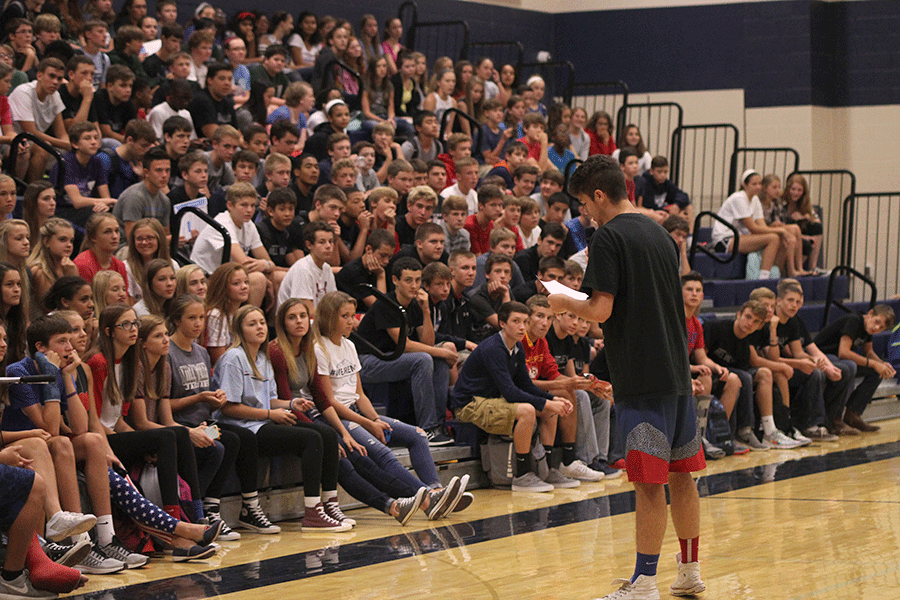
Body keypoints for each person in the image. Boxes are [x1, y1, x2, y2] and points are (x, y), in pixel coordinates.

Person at [547, 155, 705, 599]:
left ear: (599, 195)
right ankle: (689, 570)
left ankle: (644, 582)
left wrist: (564, 303)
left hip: (642, 377)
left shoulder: (610, 236)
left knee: (649, 484)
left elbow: (600, 310)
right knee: (681, 475)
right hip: (674, 374)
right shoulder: (659, 232)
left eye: (584, 203)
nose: (585, 213)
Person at [213, 304, 351, 532]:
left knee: (325, 433)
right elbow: (229, 408)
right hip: (243, 427)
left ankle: (329, 503)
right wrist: (270, 414)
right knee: (311, 439)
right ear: (239, 330)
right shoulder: (233, 358)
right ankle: (312, 511)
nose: (259, 327)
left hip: (262, 421)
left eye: (260, 322)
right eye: (251, 324)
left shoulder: (262, 358)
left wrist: (289, 404)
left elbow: (269, 401)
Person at [451, 301, 572, 492]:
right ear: (502, 323)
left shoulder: (517, 347)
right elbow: (510, 391)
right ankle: (522, 476)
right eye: (516, 321)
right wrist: (545, 403)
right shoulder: (494, 348)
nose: (522, 327)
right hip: (469, 404)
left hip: (492, 400)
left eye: (524, 321)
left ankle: (547, 471)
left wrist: (552, 400)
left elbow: (525, 384)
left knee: (549, 411)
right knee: (528, 411)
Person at [356, 257, 455, 445]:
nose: (414, 285)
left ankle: (437, 425)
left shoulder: (415, 304)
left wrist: (426, 311)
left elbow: (428, 341)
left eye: (418, 280)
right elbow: (405, 345)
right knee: (424, 359)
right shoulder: (386, 304)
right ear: (395, 280)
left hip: (391, 359)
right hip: (367, 362)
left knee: (437, 361)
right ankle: (427, 428)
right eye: (409, 280)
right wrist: (441, 352)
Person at [814, 304, 896, 432]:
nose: (876, 328)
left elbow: (868, 351)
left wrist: (882, 365)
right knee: (849, 367)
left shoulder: (868, 329)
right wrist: (874, 364)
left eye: (882, 327)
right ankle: (834, 420)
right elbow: (843, 352)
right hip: (822, 356)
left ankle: (853, 414)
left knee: (875, 372)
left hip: (838, 360)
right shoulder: (854, 321)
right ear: (870, 314)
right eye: (877, 322)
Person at [712, 169, 784, 280]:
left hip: (739, 237)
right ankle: (763, 278)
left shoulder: (755, 199)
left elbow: (762, 226)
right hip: (724, 240)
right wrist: (780, 230)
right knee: (773, 238)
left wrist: (783, 230)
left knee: (782, 236)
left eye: (760, 183)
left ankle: (787, 272)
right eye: (754, 184)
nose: (758, 187)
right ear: (744, 185)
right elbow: (754, 228)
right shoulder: (739, 198)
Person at [73, 214, 128, 292]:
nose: (115, 236)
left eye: (117, 231)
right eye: (107, 232)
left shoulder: (120, 265)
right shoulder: (83, 264)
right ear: (93, 237)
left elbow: (125, 299)